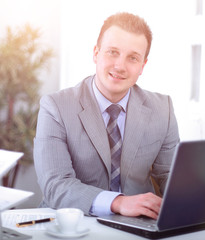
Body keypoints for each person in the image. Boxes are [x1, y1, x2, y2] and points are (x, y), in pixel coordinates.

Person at [34, 12, 180, 220]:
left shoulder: (162, 109)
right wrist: (118, 202)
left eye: (133, 58)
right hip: (72, 223)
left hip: (137, 225)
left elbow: (169, 177)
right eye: (112, 52)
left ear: (143, 66)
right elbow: (56, 185)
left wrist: (198, 198)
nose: (120, 66)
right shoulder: (56, 107)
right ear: (96, 53)